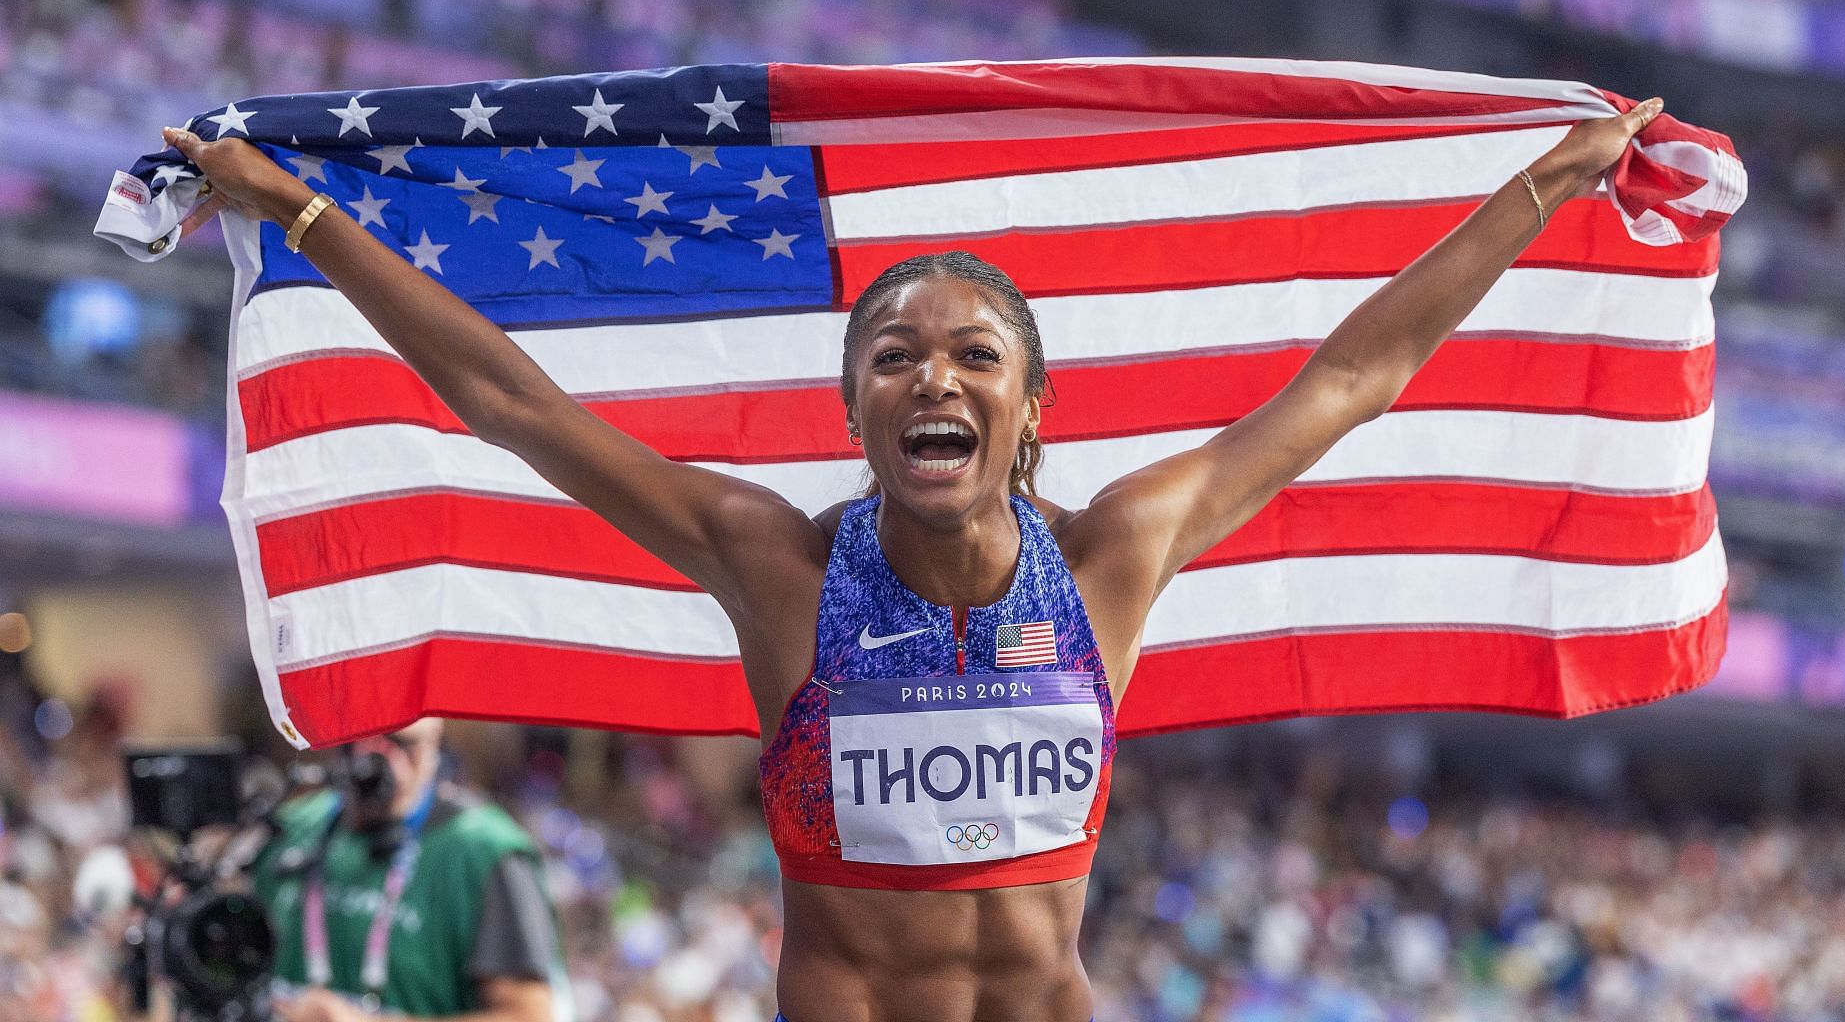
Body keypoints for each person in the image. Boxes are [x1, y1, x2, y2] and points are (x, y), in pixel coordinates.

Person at [162, 94, 1663, 1022]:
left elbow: (1347, 382)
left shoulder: (1115, 558)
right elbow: (511, 402)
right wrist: (304, 213)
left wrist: (1541, 191)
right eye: (894, 356)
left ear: (1029, 405)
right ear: (855, 406)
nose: (933, 378)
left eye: (972, 355)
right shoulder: (777, 572)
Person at [248, 718, 563, 1022]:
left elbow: (528, 1015)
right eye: (371, 741)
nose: (390, 765)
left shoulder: (486, 853)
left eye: (407, 745)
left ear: (435, 747)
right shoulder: (292, 829)